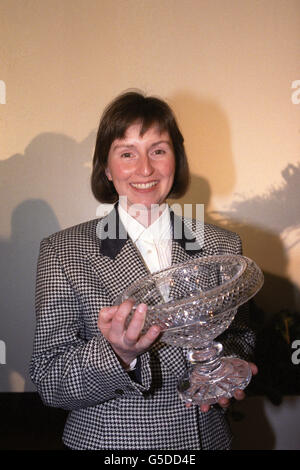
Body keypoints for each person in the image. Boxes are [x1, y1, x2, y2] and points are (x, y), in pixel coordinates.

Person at [30, 91, 257, 450]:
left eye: (158, 150)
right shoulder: (63, 252)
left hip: (206, 441)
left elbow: (241, 336)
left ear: (176, 160)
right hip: (113, 445)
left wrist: (226, 365)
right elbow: (50, 379)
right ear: (106, 168)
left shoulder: (222, 246)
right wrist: (117, 354)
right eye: (126, 153)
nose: (145, 169)